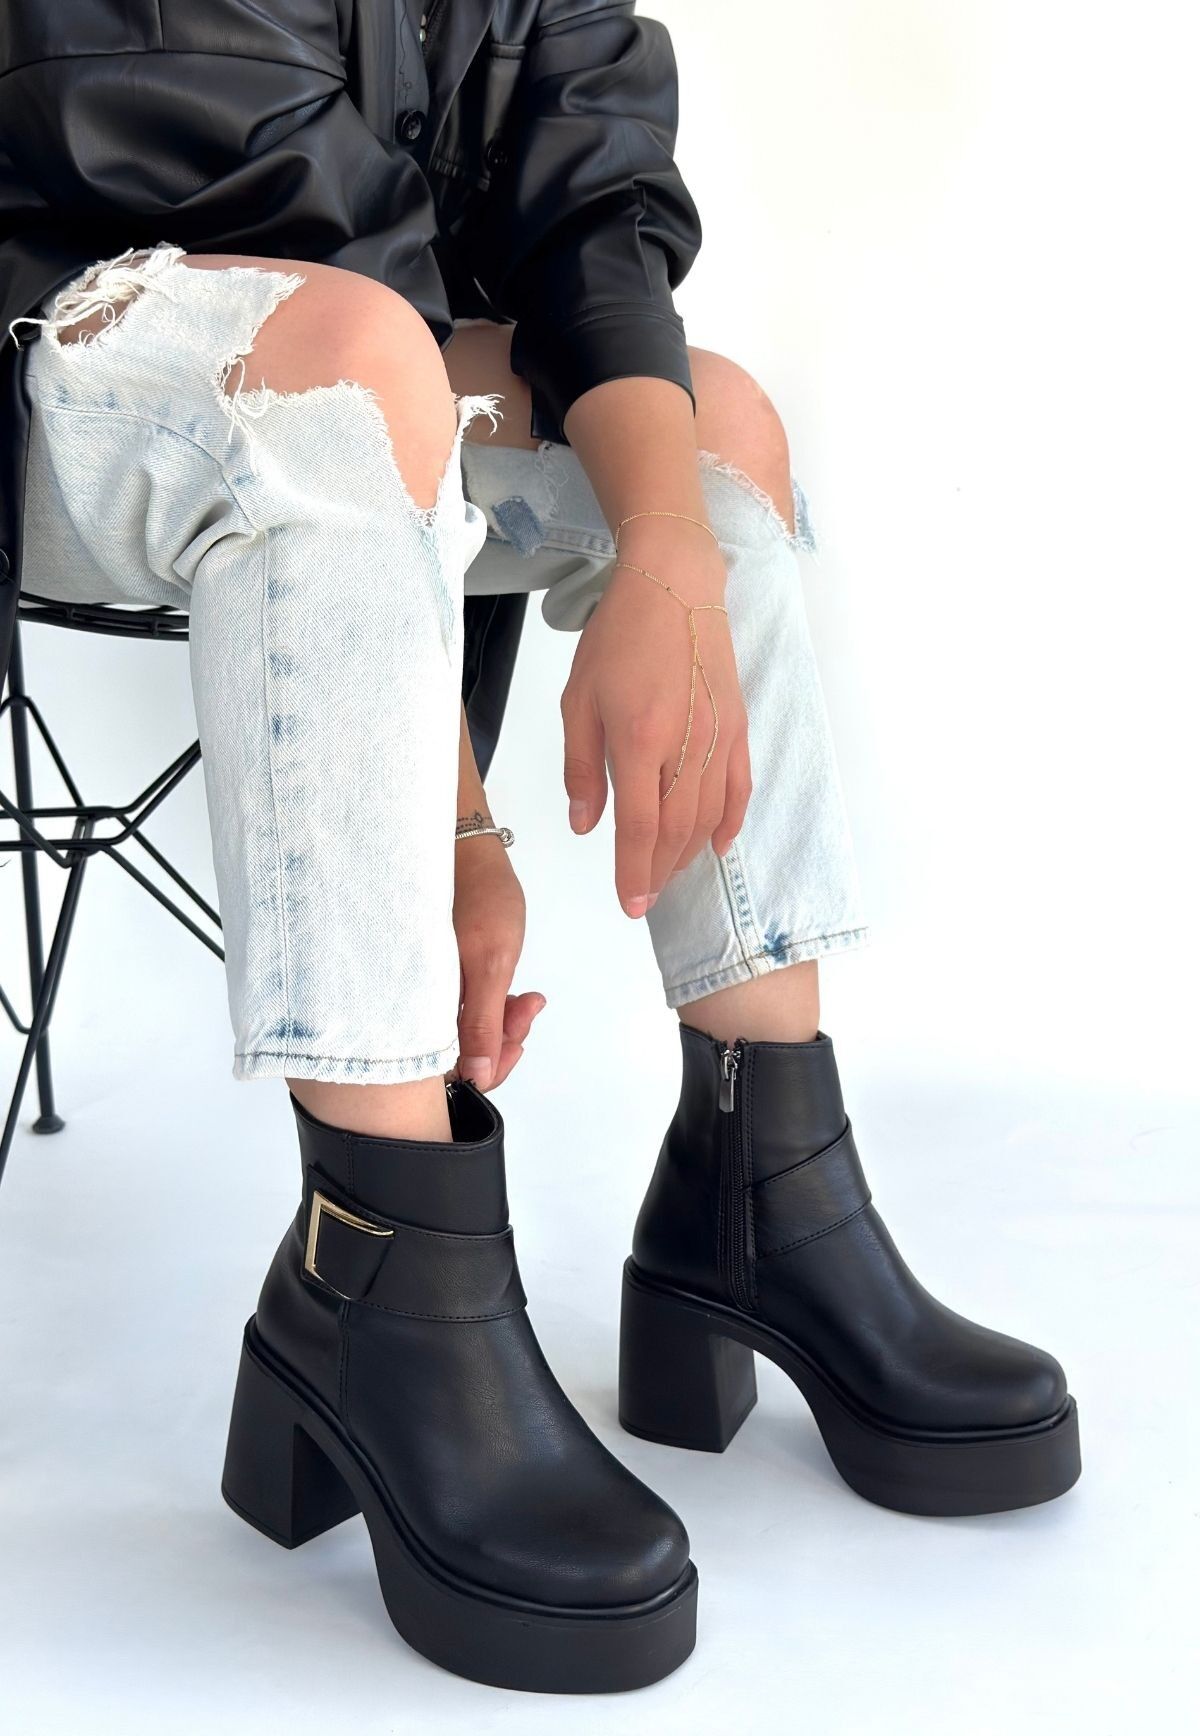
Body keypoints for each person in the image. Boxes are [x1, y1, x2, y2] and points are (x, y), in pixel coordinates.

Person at [0, 0, 1080, 1696]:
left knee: (712, 432)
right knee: (355, 363)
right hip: (74, 347)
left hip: (351, 354)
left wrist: (669, 559)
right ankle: (375, 1266)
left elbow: (594, 208)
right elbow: (319, 272)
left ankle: (763, 1186)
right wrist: (456, 825)